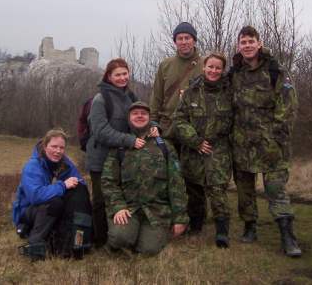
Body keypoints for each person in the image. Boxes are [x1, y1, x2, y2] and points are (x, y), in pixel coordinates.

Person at [229, 26, 302, 257]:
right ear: (238, 46)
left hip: (271, 145)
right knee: (244, 191)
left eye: (251, 41)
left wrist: (278, 137)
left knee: (275, 189)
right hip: (242, 145)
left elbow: (288, 107)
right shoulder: (234, 73)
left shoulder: (275, 71)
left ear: (259, 43)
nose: (247, 45)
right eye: (243, 42)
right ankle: (250, 227)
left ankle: (287, 236)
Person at [101, 101, 188, 255]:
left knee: (149, 249)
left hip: (157, 211)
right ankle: (125, 235)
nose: (139, 116)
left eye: (143, 113)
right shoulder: (120, 146)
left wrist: (180, 218)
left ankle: (144, 237)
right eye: (135, 113)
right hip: (129, 208)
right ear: (129, 118)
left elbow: (176, 183)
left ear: (150, 118)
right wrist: (118, 207)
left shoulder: (164, 146)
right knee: (120, 238)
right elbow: (108, 181)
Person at [167, 52, 233, 248]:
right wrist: (195, 141)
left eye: (218, 68)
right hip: (193, 149)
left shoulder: (229, 93)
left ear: (222, 70)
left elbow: (237, 120)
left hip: (218, 150)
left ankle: (222, 230)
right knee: (194, 189)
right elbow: (179, 120)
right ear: (204, 67)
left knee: (217, 190)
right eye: (210, 67)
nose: (213, 71)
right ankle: (196, 224)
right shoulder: (190, 92)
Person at [149, 21, 204, 233]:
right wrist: (153, 122)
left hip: (193, 128)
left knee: (193, 176)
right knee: (170, 174)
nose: (184, 42)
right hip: (167, 127)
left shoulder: (204, 64)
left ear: (194, 40)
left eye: (187, 38)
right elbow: (156, 96)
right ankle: (171, 217)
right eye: (180, 38)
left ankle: (196, 220)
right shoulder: (165, 65)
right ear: (175, 42)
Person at [85, 58, 141, 247]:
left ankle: (118, 235)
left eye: (125, 73)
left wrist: (154, 127)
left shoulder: (131, 97)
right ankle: (99, 240)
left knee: (121, 196)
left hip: (122, 159)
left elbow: (141, 117)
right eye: (118, 75)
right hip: (100, 158)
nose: (122, 78)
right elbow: (100, 131)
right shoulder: (100, 100)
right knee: (101, 200)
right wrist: (129, 140)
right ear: (109, 77)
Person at [12, 129, 91, 261]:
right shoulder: (32, 166)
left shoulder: (64, 163)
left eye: (61, 148)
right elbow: (35, 196)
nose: (58, 151)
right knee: (54, 202)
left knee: (78, 191)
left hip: (50, 209)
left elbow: (79, 181)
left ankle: (76, 242)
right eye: (54, 146)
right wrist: (62, 186)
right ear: (45, 146)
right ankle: (35, 242)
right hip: (28, 212)